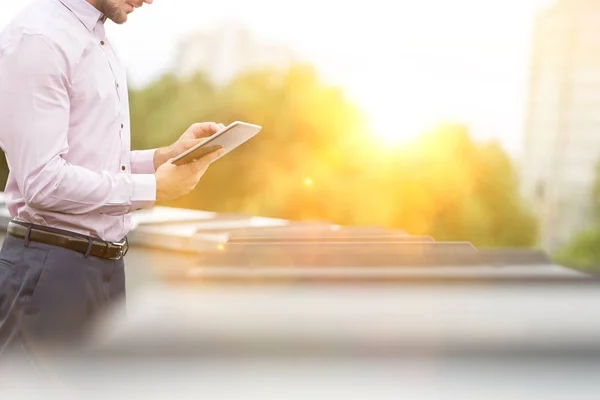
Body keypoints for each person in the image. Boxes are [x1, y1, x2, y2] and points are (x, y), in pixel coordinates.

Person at [0, 0, 224, 352]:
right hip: (50, 273)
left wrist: (161, 159)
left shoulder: (96, 40)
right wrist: (153, 188)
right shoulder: (39, 38)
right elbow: (42, 181)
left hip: (104, 270)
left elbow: (94, 163)